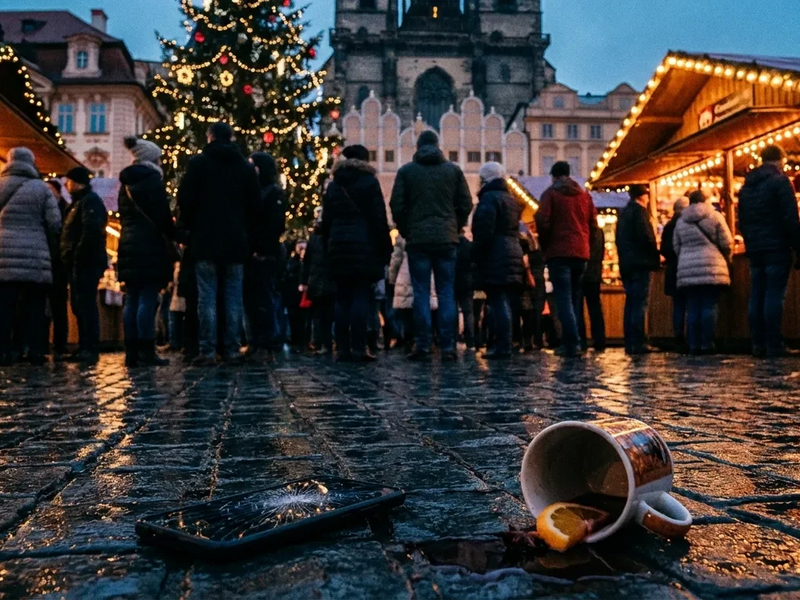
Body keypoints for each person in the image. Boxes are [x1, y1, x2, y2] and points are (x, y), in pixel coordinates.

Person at [177, 122, 261, 365]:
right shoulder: (244, 167)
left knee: (207, 296)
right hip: (236, 241)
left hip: (204, 240)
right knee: (234, 296)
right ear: (231, 137)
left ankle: (207, 350)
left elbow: (185, 199)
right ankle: (232, 349)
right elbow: (256, 207)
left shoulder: (198, 164)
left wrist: (191, 227)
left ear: (210, 137)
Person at [390, 130, 472, 361]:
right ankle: (448, 346)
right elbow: (466, 203)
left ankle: (423, 344)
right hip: (447, 239)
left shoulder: (406, 171)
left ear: (418, 147)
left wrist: (406, 230)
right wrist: (455, 226)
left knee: (421, 293)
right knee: (446, 293)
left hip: (418, 240)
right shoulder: (453, 171)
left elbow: (396, 204)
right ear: (438, 146)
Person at [322, 145, 392, 362]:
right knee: (361, 296)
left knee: (342, 298)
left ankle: (342, 348)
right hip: (364, 246)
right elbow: (379, 218)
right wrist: (385, 248)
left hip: (339, 246)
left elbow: (326, 221)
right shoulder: (370, 182)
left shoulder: (334, 185)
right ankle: (359, 348)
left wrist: (329, 246)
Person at [0, 148, 61, 366]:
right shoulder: (41, 188)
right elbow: (54, 222)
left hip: (3, 255)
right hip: (35, 255)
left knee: (4, 306)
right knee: (34, 307)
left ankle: (4, 352)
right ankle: (35, 351)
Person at [118, 137, 175, 367]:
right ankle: (147, 350)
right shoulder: (152, 181)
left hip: (128, 243)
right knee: (148, 298)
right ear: (152, 159)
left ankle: (131, 352)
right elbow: (162, 217)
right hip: (150, 245)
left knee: (132, 298)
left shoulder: (126, 183)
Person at [738, 145, 800, 357]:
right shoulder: (781, 182)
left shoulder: (746, 187)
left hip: (756, 249)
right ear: (780, 160)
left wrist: (750, 242)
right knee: (774, 295)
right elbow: (790, 218)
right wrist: (797, 246)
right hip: (777, 246)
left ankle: (758, 343)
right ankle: (774, 343)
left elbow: (742, 222)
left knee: (757, 294)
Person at [535, 161, 596, 357]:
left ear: (553, 176)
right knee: (575, 299)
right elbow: (594, 225)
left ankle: (571, 344)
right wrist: (586, 245)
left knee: (563, 299)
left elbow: (543, 222)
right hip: (581, 254)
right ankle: (578, 341)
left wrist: (546, 246)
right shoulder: (585, 196)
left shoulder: (550, 194)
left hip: (559, 253)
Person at [471, 162, 525, 359]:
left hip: (495, 254)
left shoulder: (489, 199)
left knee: (498, 300)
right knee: (503, 301)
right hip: (511, 251)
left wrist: (475, 254)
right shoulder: (510, 199)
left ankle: (502, 346)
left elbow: (484, 231)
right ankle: (504, 343)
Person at [673, 190, 733, 355]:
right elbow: (727, 242)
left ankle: (693, 344)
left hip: (687, 269)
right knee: (708, 305)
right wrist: (726, 257)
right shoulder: (715, 217)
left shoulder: (681, 221)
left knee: (692, 308)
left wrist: (685, 259)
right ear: (705, 200)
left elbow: (676, 246)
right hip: (712, 267)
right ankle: (707, 343)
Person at [61, 166, 108, 364]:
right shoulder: (78, 202)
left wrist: (78, 254)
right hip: (77, 262)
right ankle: (84, 345)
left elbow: (91, 231)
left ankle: (89, 346)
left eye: (69, 181)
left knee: (85, 305)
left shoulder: (89, 201)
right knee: (79, 305)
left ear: (78, 182)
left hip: (85, 263)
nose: (67, 185)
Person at [247, 152, 286, 355]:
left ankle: (268, 339)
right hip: (255, 252)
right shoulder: (258, 191)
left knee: (265, 298)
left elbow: (275, 226)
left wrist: (260, 248)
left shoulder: (272, 193)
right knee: (255, 299)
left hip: (264, 254)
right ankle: (258, 339)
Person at [615, 184, 660, 355]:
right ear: (642, 196)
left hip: (627, 265)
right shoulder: (640, 212)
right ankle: (639, 341)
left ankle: (630, 342)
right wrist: (655, 257)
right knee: (640, 303)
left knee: (631, 303)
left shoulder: (624, 213)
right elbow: (646, 237)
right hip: (640, 264)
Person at [389, 235, 438, 353]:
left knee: (407, 316)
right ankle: (426, 340)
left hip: (405, 279)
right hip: (425, 276)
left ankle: (409, 342)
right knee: (425, 311)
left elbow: (396, 259)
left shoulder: (402, 237)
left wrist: (392, 279)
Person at [302, 207, 336, 355]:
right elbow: (308, 260)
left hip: (319, 279)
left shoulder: (316, 237)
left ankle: (321, 343)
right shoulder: (327, 235)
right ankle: (323, 343)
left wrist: (305, 280)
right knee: (324, 314)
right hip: (324, 278)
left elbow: (308, 261)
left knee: (321, 314)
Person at [660, 195, 690, 351]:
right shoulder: (688, 224)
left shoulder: (669, 226)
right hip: (688, 268)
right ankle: (692, 336)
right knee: (691, 304)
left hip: (673, 270)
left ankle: (678, 335)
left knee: (678, 305)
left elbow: (664, 248)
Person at [46, 178, 70, 360]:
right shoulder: (65, 208)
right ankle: (42, 342)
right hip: (45, 262)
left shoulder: (66, 209)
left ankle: (59, 344)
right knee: (43, 307)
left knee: (58, 307)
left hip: (58, 265)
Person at [579, 218, 607, 351]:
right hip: (594, 274)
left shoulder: (581, 231)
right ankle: (599, 340)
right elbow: (599, 254)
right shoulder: (599, 232)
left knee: (578, 308)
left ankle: (581, 340)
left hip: (581, 274)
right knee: (595, 308)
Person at [455, 228, 475, 349]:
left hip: (453, 280)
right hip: (467, 281)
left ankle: (454, 338)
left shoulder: (452, 245)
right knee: (468, 313)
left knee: (452, 310)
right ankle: (470, 341)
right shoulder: (468, 245)